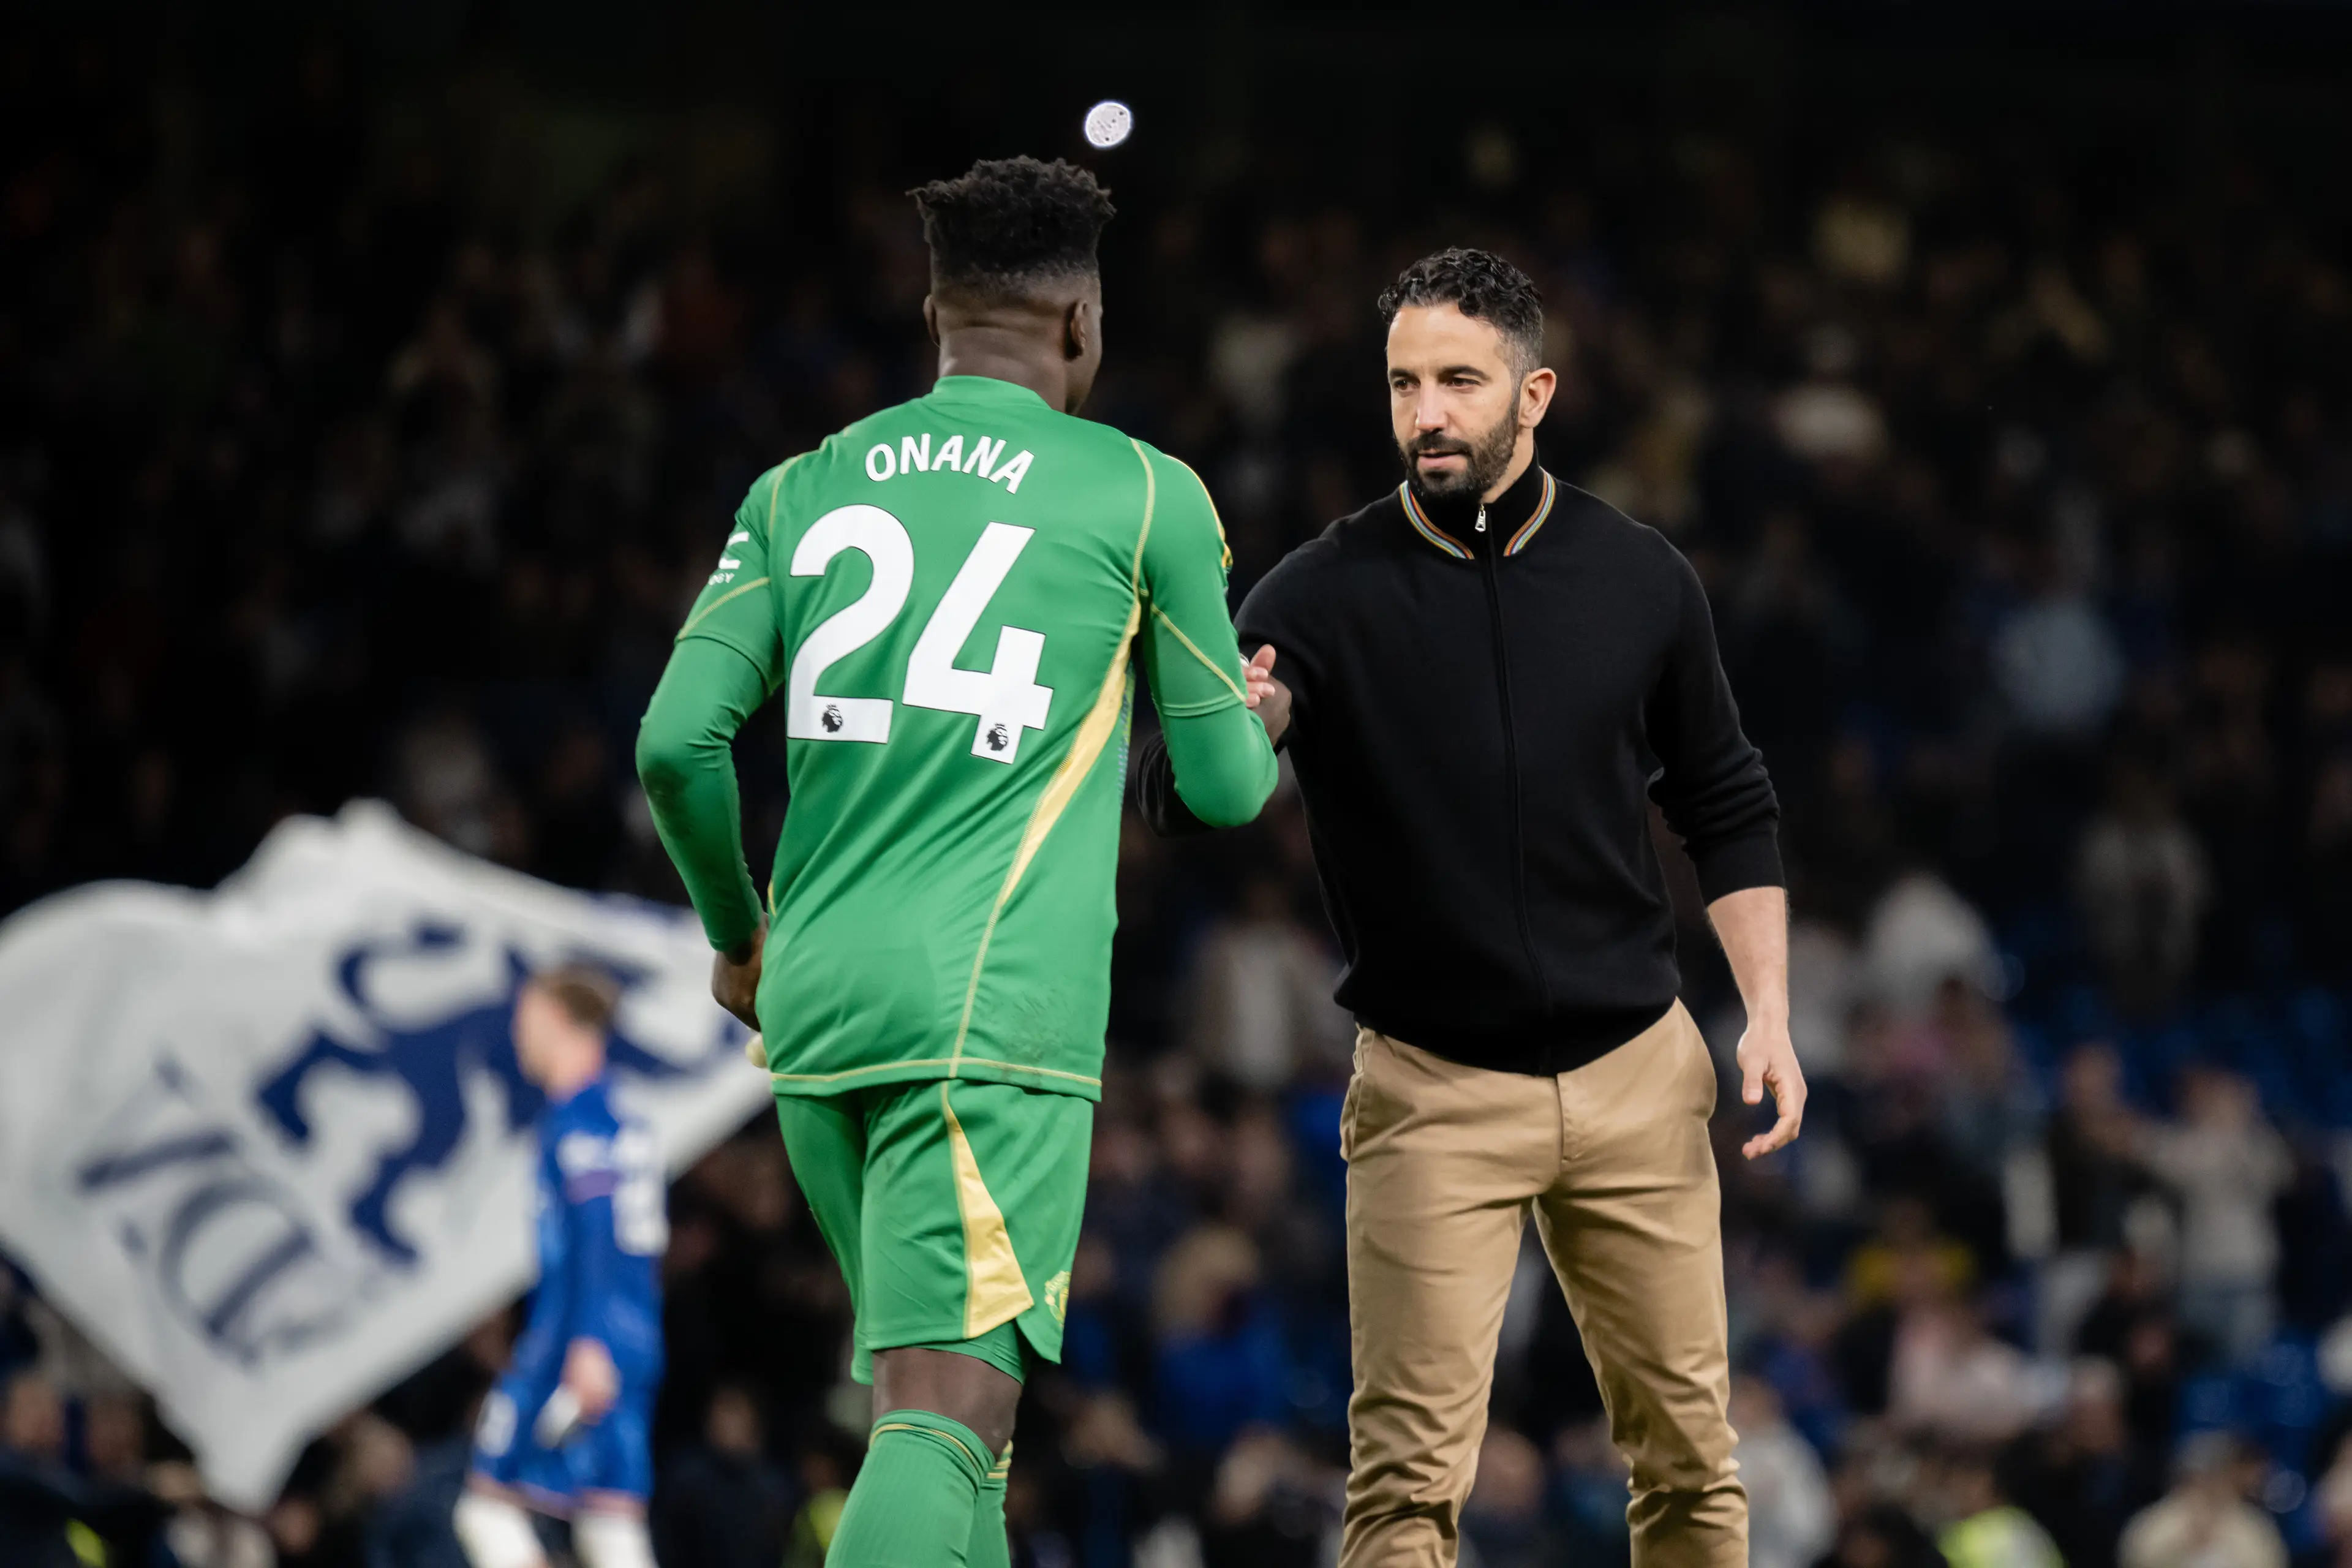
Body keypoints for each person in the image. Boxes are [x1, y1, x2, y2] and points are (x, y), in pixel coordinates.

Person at [634, 156, 1276, 1568]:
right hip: (985, 1017)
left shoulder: (801, 486)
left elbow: (676, 746)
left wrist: (738, 936)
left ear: (937, 315)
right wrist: (1261, 716)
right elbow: (1224, 789)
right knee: (939, 1414)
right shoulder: (1138, 489)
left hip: (814, 1011)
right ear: (1078, 326)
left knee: (959, 1442)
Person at [1137, 247, 1803, 1566]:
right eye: (1402, 384)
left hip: (1635, 1072)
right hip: (1432, 1090)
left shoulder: (1638, 575)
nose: (1427, 412)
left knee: (1691, 1470)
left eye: (1458, 380)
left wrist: (1770, 1010)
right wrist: (1247, 721)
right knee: (1401, 1493)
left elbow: (1727, 797)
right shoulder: (1317, 592)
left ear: (1534, 391)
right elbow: (1172, 791)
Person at [454, 965, 665, 1568]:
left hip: (577, 1345)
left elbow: (599, 1235)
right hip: (628, 1343)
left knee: (486, 1507)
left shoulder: (580, 1125)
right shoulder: (624, 1122)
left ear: (555, 1019)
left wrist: (590, 1341)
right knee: (611, 1524)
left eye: (526, 1021)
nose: (520, 1038)